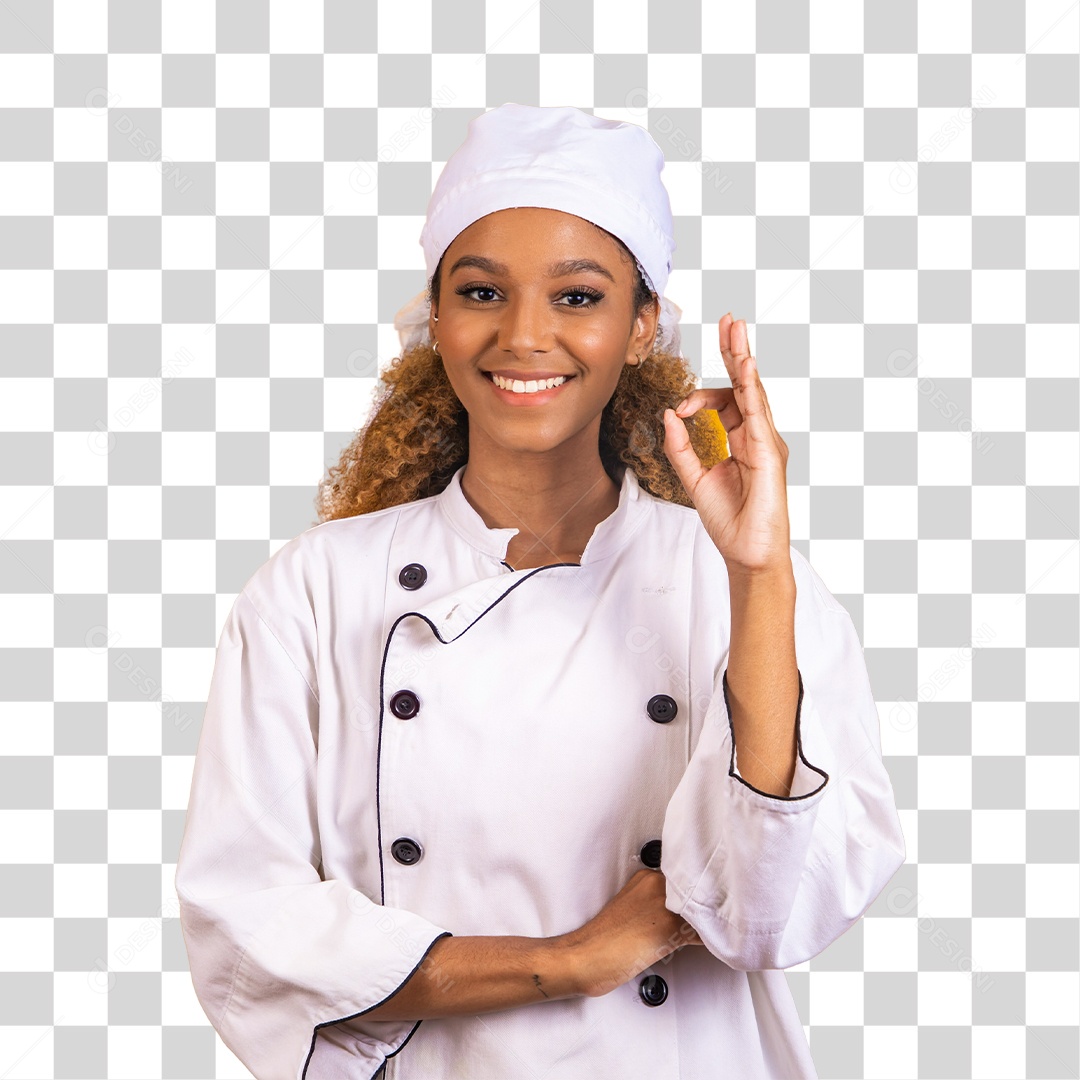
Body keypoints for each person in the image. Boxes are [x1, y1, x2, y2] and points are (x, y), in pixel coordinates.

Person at [175, 103, 907, 1080]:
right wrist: (566, 964)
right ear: (434, 317)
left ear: (642, 325)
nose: (525, 337)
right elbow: (248, 923)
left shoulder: (736, 580)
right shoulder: (313, 592)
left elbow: (772, 913)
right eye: (482, 291)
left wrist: (758, 572)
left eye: (577, 297)